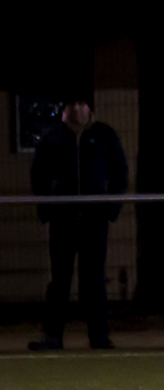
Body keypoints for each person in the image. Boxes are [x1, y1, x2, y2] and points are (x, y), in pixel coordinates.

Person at [29, 94, 128, 351]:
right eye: (72, 104)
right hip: (62, 220)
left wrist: (110, 209)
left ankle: (99, 336)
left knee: (93, 279)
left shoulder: (104, 135)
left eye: (81, 104)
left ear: (89, 107)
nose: (77, 109)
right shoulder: (52, 137)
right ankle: (52, 336)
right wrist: (46, 209)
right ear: (65, 107)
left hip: (94, 220)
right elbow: (38, 173)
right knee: (59, 280)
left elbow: (120, 173)